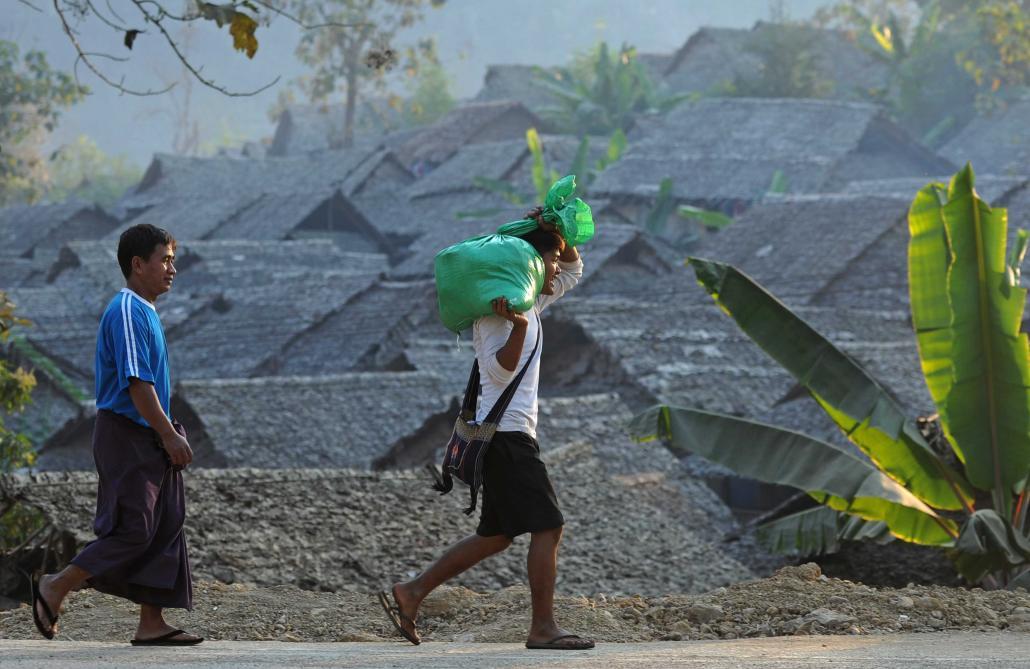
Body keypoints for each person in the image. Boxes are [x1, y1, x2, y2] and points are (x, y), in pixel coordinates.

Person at [381, 211, 595, 650]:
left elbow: (573, 271)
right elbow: (499, 373)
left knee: (496, 535)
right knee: (549, 527)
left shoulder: (529, 302)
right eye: (549, 260)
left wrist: (558, 233)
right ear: (529, 265)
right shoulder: (501, 315)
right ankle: (542, 628)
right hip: (507, 436)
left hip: (508, 435)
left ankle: (412, 591)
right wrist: (516, 327)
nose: (555, 268)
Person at [30, 224, 201, 646]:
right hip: (127, 434)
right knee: (133, 528)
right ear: (137, 264)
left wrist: (164, 432)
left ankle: (151, 623)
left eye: (173, 259)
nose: (172, 268)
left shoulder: (146, 310)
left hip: (147, 433)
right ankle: (57, 585)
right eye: (164, 259)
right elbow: (136, 383)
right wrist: (169, 435)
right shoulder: (126, 310)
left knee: (165, 523)